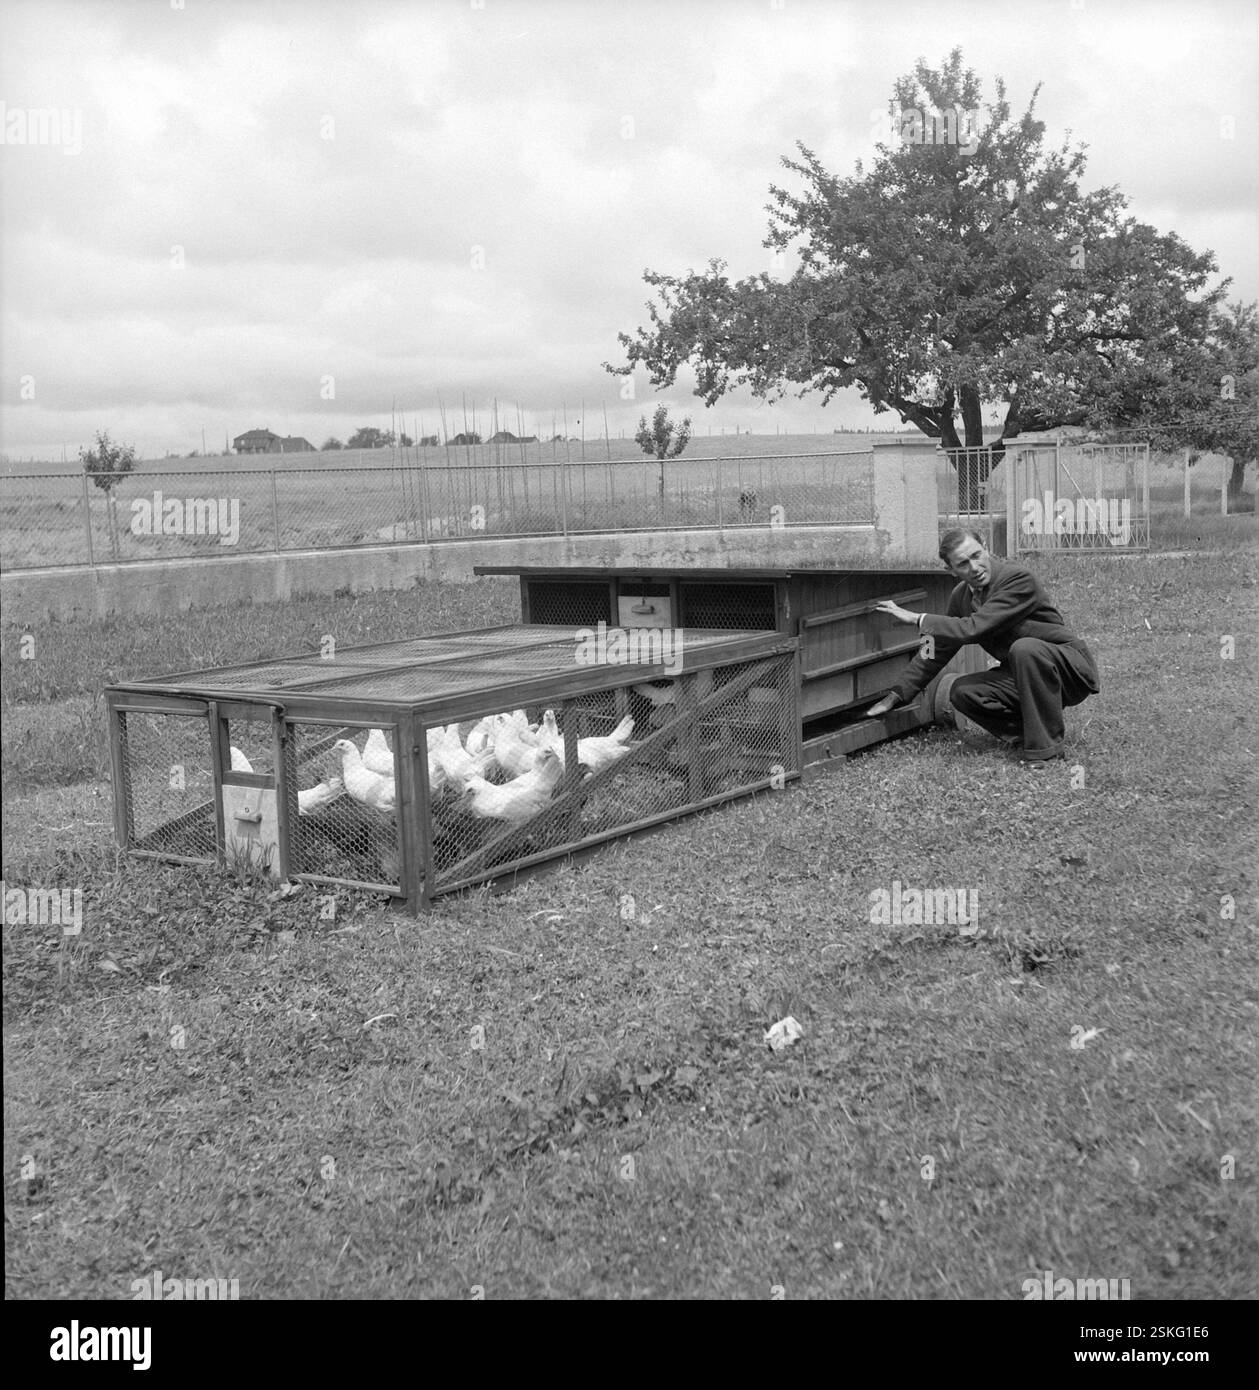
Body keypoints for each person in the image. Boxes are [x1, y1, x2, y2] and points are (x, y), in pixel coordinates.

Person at [864, 528, 1100, 762]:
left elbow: (973, 627)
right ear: (951, 570)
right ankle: (1028, 735)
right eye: (963, 564)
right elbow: (934, 649)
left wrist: (917, 618)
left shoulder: (1017, 579)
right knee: (963, 692)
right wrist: (898, 694)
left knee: (1025, 647)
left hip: (1068, 671)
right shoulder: (960, 597)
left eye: (977, 556)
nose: (974, 568)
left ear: (986, 548)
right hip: (1024, 674)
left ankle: (1046, 750)